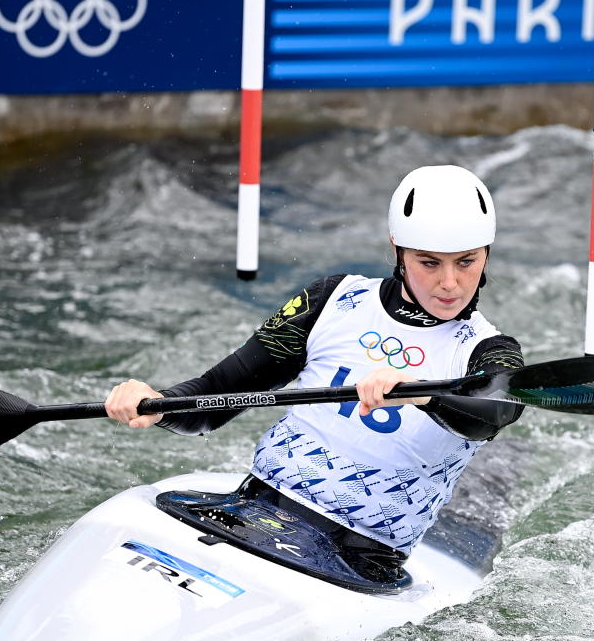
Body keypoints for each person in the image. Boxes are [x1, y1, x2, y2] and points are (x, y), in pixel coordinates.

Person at [105, 164, 524, 575]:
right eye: (429, 263)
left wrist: (423, 393)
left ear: (486, 254)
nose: (450, 282)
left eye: (466, 262)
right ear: (398, 250)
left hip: (358, 558)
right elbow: (218, 393)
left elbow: (494, 413)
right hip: (253, 509)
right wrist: (159, 404)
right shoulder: (333, 300)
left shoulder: (489, 350)